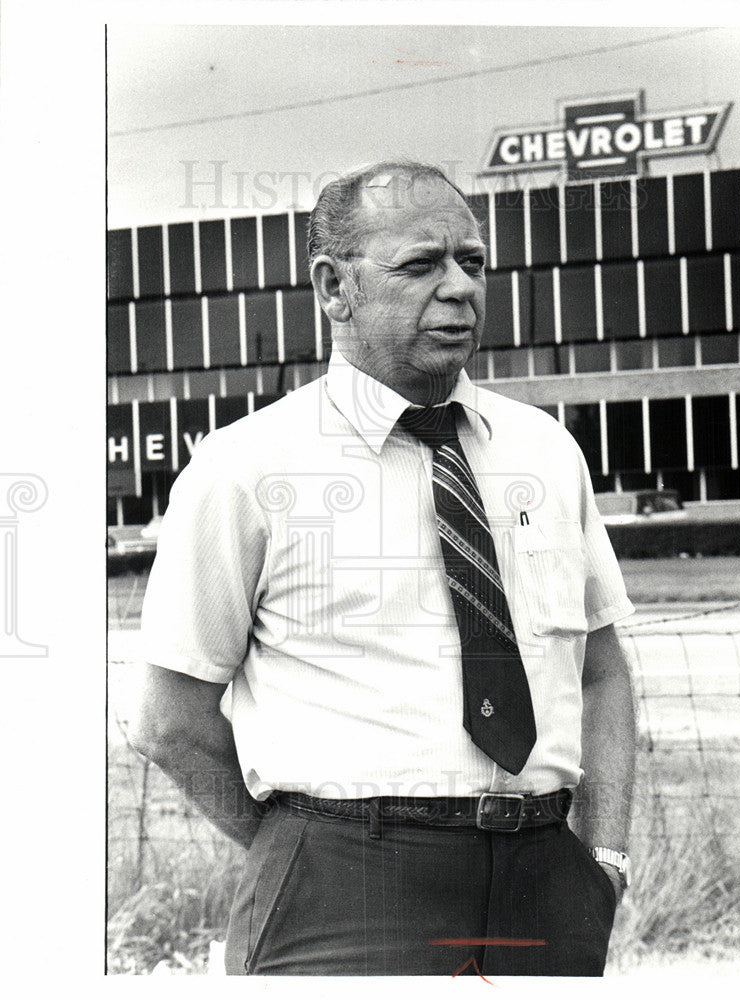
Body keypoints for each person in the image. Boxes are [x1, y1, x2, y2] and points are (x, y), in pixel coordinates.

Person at [131, 160, 636, 978]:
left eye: (471, 262)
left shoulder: (544, 451)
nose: (459, 288)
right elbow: (168, 720)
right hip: (342, 891)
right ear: (334, 288)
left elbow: (603, 671)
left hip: (546, 888)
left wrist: (602, 859)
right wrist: (297, 854)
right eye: (419, 265)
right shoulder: (246, 469)